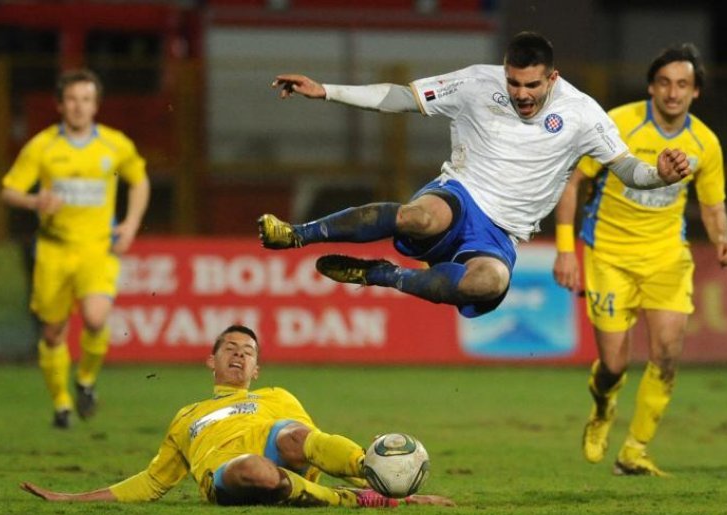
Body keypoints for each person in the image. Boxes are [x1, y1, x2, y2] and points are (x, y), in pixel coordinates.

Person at [258, 31, 691, 319]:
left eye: (532, 86)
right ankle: (297, 234)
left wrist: (660, 174)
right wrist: (326, 91)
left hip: (501, 232)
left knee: (491, 281)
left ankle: (380, 275)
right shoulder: (475, 83)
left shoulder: (583, 114)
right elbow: (401, 97)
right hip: (460, 195)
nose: (520, 94)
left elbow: (627, 169)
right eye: (513, 83)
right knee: (420, 217)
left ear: (552, 78)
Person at [552, 44, 727, 476]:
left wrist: (723, 239)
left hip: (667, 259)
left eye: (683, 85)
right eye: (665, 83)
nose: (673, 93)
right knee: (614, 365)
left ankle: (635, 449)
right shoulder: (618, 124)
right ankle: (603, 406)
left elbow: (712, 207)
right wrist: (565, 250)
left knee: (667, 354)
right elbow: (572, 182)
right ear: (652, 86)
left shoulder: (705, 144)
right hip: (609, 257)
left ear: (696, 93)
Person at [21, 325, 454, 508]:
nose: (238, 355)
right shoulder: (187, 416)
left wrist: (391, 489)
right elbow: (153, 482)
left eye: (248, 352)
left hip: (283, 453)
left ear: (256, 369)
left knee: (294, 434)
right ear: (211, 361)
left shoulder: (277, 395)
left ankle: (374, 473)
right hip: (229, 475)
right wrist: (73, 499)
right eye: (229, 348)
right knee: (257, 471)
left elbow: (316, 447)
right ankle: (353, 502)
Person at [0, 68, 150, 429]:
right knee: (52, 332)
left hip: (97, 250)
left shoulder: (114, 144)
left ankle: (84, 380)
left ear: (96, 105)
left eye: (86, 99)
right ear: (60, 105)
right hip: (53, 251)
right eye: (72, 100)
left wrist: (130, 223)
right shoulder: (43, 146)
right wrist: (36, 201)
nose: (79, 107)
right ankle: (62, 404)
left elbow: (139, 180)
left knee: (97, 319)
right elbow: (8, 191)